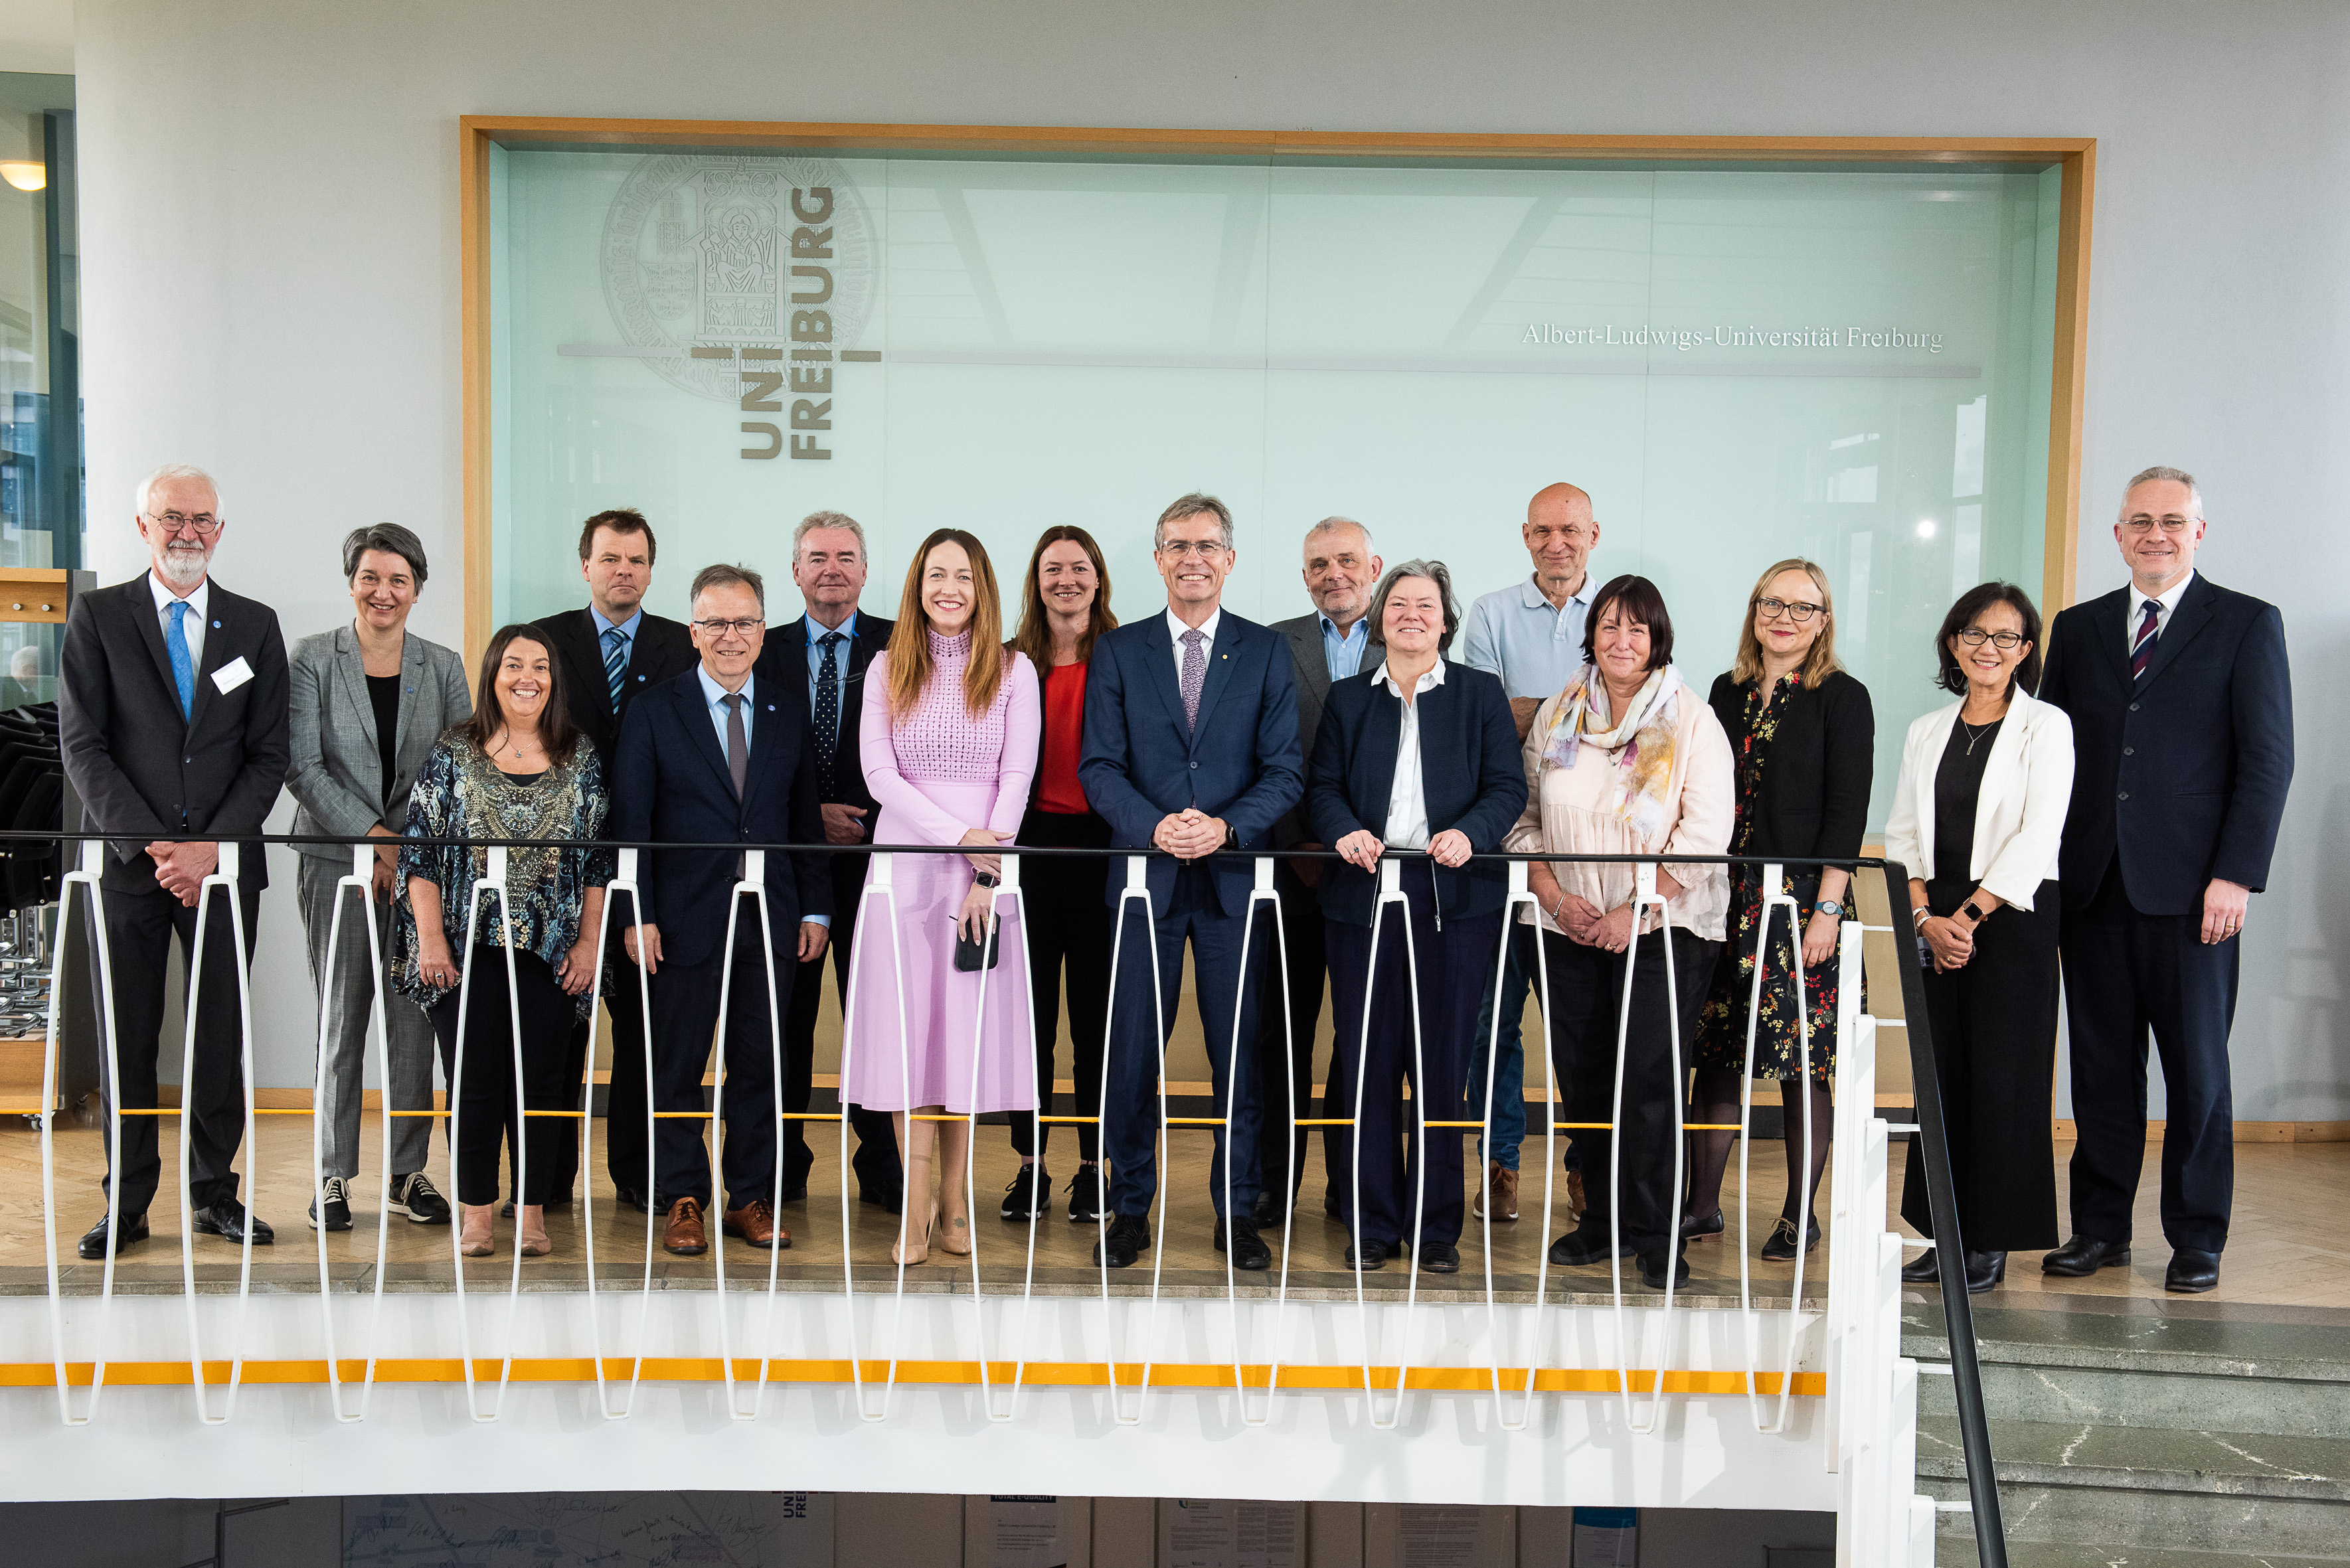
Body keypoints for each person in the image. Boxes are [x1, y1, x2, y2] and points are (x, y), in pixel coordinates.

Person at [2039, 467, 2293, 1295]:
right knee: (2101, 1071)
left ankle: (2194, 1236)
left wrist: (2235, 876)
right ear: (2117, 535)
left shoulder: (2247, 623)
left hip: (2195, 898)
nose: (2155, 533)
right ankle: (2099, 1230)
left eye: (2171, 520)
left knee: (2195, 1072)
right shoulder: (2075, 631)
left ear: (2198, 532)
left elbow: (2265, 762)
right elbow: (2047, 759)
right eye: (2139, 520)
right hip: (2093, 887)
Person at [61, 463, 290, 1259]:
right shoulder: (96, 617)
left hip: (225, 869)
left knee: (217, 1034)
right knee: (127, 1036)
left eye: (202, 519)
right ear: (143, 526)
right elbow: (82, 746)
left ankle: (214, 1193)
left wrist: (208, 849)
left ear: (219, 531)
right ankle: (125, 1202)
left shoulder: (255, 624)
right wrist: (158, 846)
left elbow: (268, 756)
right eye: (172, 518)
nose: (187, 532)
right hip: (131, 865)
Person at [1080, 493, 1304, 1271]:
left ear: (1230, 559)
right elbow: (1097, 767)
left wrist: (1225, 827)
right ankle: (1128, 1205)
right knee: (1131, 1052)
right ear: (1156, 559)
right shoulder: (1119, 650)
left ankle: (1236, 1212)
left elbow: (1284, 772)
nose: (1191, 558)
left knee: (1238, 1055)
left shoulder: (1266, 652)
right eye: (1176, 545)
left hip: (1233, 883)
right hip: (1143, 882)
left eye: (1206, 545)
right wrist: (1154, 828)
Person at [1505, 575, 1731, 1291]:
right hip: (1563, 921)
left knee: (1648, 1081)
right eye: (1608, 626)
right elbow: (1523, 817)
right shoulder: (1557, 715)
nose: (1620, 640)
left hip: (1663, 926)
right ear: (1590, 635)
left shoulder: (1690, 719)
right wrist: (1552, 894)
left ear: (1657, 637)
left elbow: (1703, 836)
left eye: (1636, 628)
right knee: (1584, 1077)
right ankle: (1599, 1221)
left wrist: (1631, 911)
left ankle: (1656, 1233)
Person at [1307, 561, 1524, 1274]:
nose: (1410, 614)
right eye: (1396, 603)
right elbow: (1323, 788)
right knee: (1368, 1064)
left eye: (1424, 604)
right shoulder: (1347, 699)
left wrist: (1472, 832)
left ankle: (1434, 1228)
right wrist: (1341, 828)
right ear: (1378, 617)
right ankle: (1371, 1223)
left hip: (1452, 903)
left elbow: (1506, 787)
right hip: (1362, 898)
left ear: (1443, 618)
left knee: (1439, 1070)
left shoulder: (1477, 694)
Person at [612, 565, 830, 1257]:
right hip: (679, 918)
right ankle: (682, 1196)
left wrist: (817, 908)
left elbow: (803, 823)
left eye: (743, 622)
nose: (730, 636)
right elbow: (632, 824)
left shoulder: (785, 710)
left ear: (763, 629)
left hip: (770, 916)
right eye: (715, 623)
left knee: (759, 1063)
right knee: (676, 1063)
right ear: (692, 631)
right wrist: (636, 910)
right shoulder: (653, 709)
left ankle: (749, 1198)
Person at [838, 532, 1039, 1263]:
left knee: (962, 1042)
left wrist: (986, 871)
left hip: (983, 878)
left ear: (982, 586)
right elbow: (879, 776)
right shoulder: (888, 667)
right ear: (917, 585)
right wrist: (962, 836)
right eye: (935, 575)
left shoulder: (1015, 671)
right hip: (902, 872)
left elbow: (1015, 779)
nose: (948, 587)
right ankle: (915, 1209)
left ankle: (956, 1207)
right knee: (906, 1041)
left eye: (962, 575)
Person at [396, 625, 612, 1259]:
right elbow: (421, 855)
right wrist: (431, 942)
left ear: (554, 680)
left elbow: (598, 863)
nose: (528, 677)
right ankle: (477, 1215)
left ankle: (533, 1213)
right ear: (492, 675)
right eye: (513, 665)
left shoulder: (581, 756)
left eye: (540, 667)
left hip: (552, 952)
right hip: (464, 951)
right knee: (474, 1082)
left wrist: (591, 944)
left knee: (543, 1084)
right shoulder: (453, 751)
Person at [1885, 584, 2074, 1293]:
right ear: (1952, 641)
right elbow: (1902, 830)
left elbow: (2038, 832)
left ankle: (1989, 1240)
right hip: (1932, 918)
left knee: (2003, 1079)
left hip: (2011, 918)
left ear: (2025, 651)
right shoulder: (1926, 729)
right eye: (1973, 633)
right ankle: (1942, 1234)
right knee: (1941, 1082)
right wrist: (1922, 917)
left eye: (2005, 638)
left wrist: (1966, 918)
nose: (1987, 649)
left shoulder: (2045, 726)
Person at [1684, 560, 1873, 1261]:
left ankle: (1801, 1212)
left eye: (1803, 607)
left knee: (1800, 1061)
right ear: (1753, 610)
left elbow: (1845, 812)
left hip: (1802, 902)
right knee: (1715, 1054)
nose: (1784, 617)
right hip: (1724, 899)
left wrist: (1826, 908)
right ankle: (1700, 1206)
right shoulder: (1722, 692)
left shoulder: (1842, 697)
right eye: (1772, 603)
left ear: (1822, 621)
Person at [286, 523, 469, 1232]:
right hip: (337, 865)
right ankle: (332, 1175)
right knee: (340, 1020)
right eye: (370, 577)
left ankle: (407, 1173)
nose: (383, 592)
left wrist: (407, 852)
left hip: (419, 874)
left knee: (413, 1022)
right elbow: (302, 767)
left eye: (398, 579)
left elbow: (457, 770)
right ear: (351, 582)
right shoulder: (312, 660)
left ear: (417, 588)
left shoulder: (444, 665)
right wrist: (374, 839)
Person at [529, 509, 697, 1214]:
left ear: (651, 570)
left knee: (641, 1032)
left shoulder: (679, 644)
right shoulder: (544, 641)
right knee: (557, 1035)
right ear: (586, 566)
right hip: (562, 864)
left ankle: (638, 1173)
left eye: (635, 559)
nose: (622, 569)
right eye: (609, 558)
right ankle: (548, 1180)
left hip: (648, 861)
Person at [1458, 482, 1602, 1225]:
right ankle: (1501, 1166)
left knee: (1578, 1026)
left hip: (1582, 858)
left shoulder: (1617, 615)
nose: (1557, 543)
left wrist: (1530, 714)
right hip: (1495, 845)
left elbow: (1632, 715)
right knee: (1493, 1023)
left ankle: (1584, 1169)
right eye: (1543, 530)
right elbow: (1484, 716)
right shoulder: (1487, 612)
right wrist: (1578, 708)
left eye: (1569, 530)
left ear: (1592, 534)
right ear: (1524, 536)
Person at [754, 512, 903, 1214]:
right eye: (816, 557)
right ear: (795, 571)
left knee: (877, 1019)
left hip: (883, 866)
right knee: (786, 1022)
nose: (831, 568)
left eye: (845, 556)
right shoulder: (759, 647)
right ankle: (781, 1163)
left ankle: (882, 1164)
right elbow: (749, 759)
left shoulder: (904, 646)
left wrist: (869, 821)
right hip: (791, 869)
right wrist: (808, 818)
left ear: (865, 569)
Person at [1264, 516, 1383, 1225]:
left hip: (1374, 874)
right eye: (1317, 564)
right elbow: (1256, 751)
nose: (1332, 574)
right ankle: (1274, 1188)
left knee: (1360, 1040)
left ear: (1373, 565)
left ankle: (1350, 1186)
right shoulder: (1270, 644)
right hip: (1288, 871)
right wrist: (1296, 843)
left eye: (1345, 560)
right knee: (1282, 1034)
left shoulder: (1409, 631)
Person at [998, 524, 1117, 1225]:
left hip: (1103, 848)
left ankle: (1091, 1167)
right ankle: (1029, 1165)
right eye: (1052, 569)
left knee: (1096, 1023)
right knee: (1029, 1022)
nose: (1065, 580)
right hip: (1029, 852)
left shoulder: (1125, 656)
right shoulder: (1011, 661)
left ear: (1098, 578)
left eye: (1078, 568)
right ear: (1035, 580)